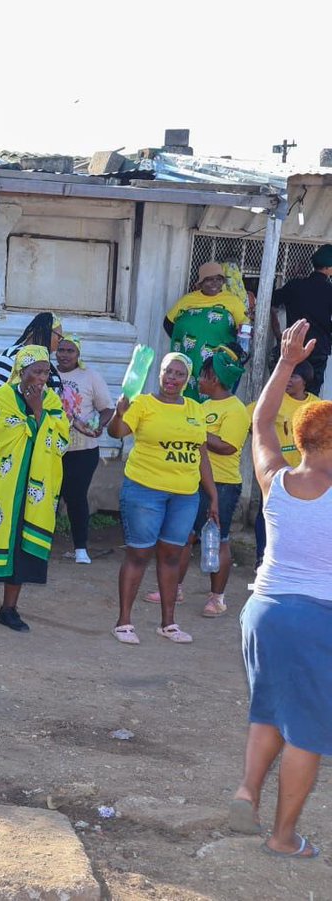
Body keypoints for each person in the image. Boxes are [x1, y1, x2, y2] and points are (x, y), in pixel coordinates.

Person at [230, 318, 332, 858]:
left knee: (269, 708)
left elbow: (260, 423)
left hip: (263, 609)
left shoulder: (277, 479)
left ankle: (247, 790)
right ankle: (283, 836)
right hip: (316, 618)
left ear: (301, 438)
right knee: (308, 732)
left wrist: (286, 363)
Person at [108, 352, 219, 645]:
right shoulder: (142, 403)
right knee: (139, 553)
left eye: (179, 374)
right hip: (145, 490)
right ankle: (124, 622)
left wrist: (213, 495)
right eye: (168, 372)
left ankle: (168, 624)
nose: (172, 379)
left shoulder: (195, 408)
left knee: (173, 555)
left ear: (188, 379)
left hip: (184, 495)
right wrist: (120, 412)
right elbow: (117, 432)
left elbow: (201, 453)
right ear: (159, 373)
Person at [0, 345, 69, 639]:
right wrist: (32, 419)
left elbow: (61, 438)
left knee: (21, 552)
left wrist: (38, 413)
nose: (41, 378)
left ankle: (9, 610)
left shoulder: (50, 400)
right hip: (1, 488)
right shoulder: (4, 397)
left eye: (46, 372)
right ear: (21, 372)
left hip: (33, 491)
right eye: (36, 371)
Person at [165, 348, 250, 617]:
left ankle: (217, 598)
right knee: (185, 537)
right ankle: (174, 590)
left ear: (214, 377)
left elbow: (227, 446)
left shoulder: (235, 410)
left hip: (223, 485)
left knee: (219, 540)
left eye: (202, 375)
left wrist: (198, 431)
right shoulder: (201, 407)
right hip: (193, 481)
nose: (197, 380)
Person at [246, 360, 316, 567]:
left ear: (305, 381)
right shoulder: (274, 400)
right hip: (275, 472)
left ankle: (292, 560)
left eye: (294, 376)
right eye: (288, 375)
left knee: (298, 516)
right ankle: (262, 558)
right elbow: (251, 418)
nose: (288, 380)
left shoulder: (315, 405)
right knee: (267, 512)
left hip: (303, 474)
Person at [55, 333, 115, 565]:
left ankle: (81, 548)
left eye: (70, 350)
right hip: (52, 449)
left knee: (76, 497)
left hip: (83, 449)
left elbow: (107, 409)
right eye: (61, 350)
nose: (65, 354)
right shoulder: (48, 374)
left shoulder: (90, 376)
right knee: (48, 497)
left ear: (78, 354)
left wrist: (98, 426)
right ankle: (39, 545)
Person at [163, 261, 249, 400]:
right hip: (190, 359)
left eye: (218, 279)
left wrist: (239, 352)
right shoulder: (188, 300)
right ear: (201, 283)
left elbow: (245, 328)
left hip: (217, 363)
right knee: (188, 396)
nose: (214, 283)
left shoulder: (232, 301)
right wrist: (183, 342)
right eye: (209, 279)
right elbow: (168, 323)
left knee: (214, 395)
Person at [272, 245, 332, 395]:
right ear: (328, 267)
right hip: (318, 349)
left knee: (285, 390)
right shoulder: (329, 290)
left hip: (293, 346)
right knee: (311, 393)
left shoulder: (295, 286)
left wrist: (278, 332)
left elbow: (270, 301)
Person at [0, 312, 64, 391]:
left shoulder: (44, 359)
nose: (60, 341)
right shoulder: (10, 357)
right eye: (59, 337)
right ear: (45, 331)